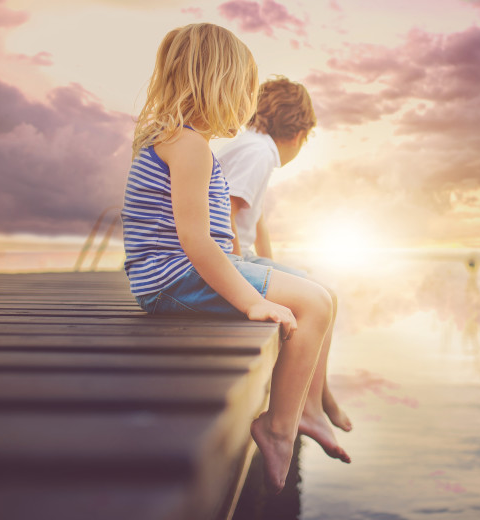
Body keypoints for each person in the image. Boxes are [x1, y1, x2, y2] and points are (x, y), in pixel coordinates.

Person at [120, 23, 349, 494]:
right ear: (221, 85)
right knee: (315, 305)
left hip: (170, 276)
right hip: (174, 280)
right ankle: (279, 427)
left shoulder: (178, 141)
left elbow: (214, 237)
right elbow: (196, 241)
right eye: (246, 89)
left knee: (319, 293)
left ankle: (305, 410)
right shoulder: (189, 147)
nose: (249, 103)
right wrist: (251, 300)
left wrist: (254, 274)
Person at [216, 77, 353, 450]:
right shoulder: (259, 152)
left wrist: (272, 269)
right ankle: (310, 406)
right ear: (300, 134)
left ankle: (317, 400)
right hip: (229, 260)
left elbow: (253, 217)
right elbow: (227, 208)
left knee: (325, 294)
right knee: (321, 297)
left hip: (241, 256)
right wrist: (234, 271)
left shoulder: (253, 147)